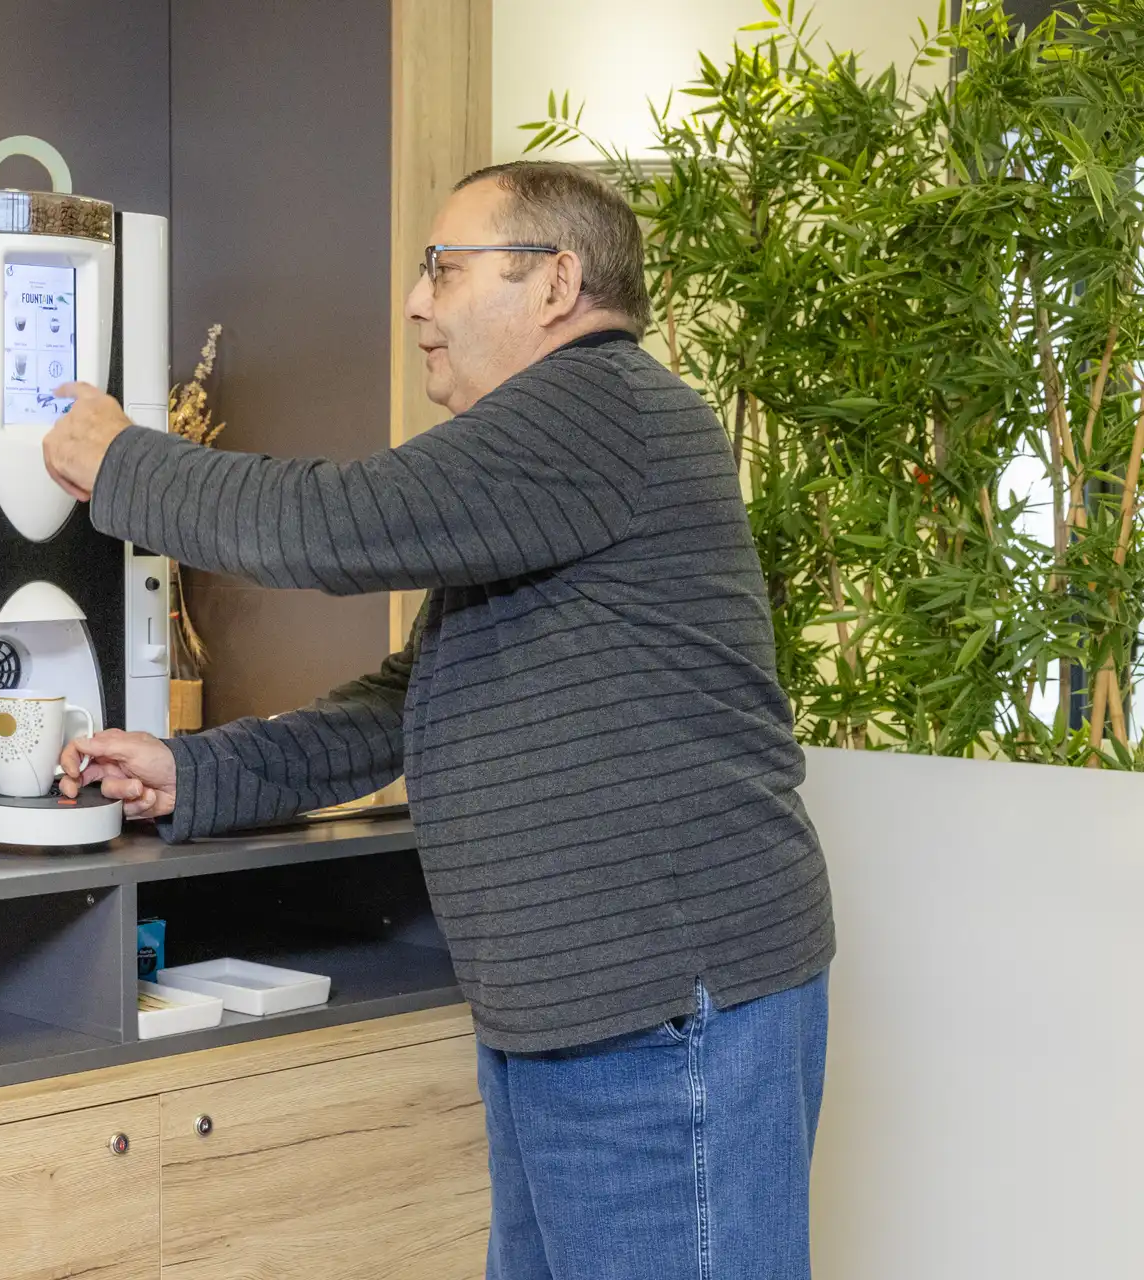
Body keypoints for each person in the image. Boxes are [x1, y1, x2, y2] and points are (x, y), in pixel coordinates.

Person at [41, 160, 833, 1280]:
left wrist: (121, 460)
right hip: (575, 1008)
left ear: (557, 283)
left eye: (444, 269)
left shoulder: (594, 407)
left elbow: (330, 523)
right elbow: (410, 701)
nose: (416, 302)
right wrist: (194, 770)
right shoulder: (543, 469)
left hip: (662, 1004)